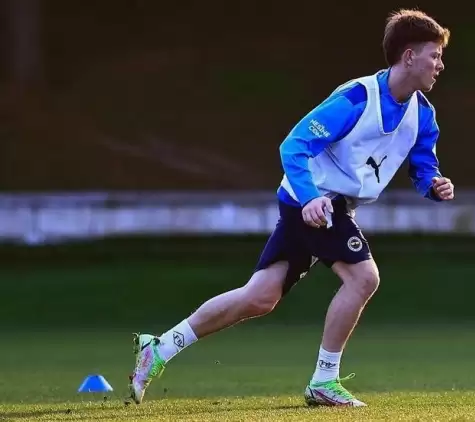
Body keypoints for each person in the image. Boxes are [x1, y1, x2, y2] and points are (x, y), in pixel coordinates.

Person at [128, 8, 454, 407]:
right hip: (313, 202)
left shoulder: (424, 115)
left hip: (331, 206)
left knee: (259, 297)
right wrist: (311, 197)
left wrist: (433, 184)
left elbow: (423, 165)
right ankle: (324, 380)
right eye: (435, 55)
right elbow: (294, 146)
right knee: (364, 278)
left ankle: (160, 346)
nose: (440, 64)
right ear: (409, 56)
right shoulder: (356, 99)